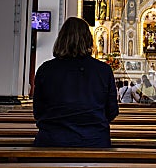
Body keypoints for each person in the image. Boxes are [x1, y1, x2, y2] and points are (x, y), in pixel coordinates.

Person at [33, 17, 119, 147]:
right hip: (94, 142)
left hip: (52, 141)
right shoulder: (103, 70)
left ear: (61, 39)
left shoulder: (45, 69)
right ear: (89, 40)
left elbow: (38, 111)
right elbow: (112, 110)